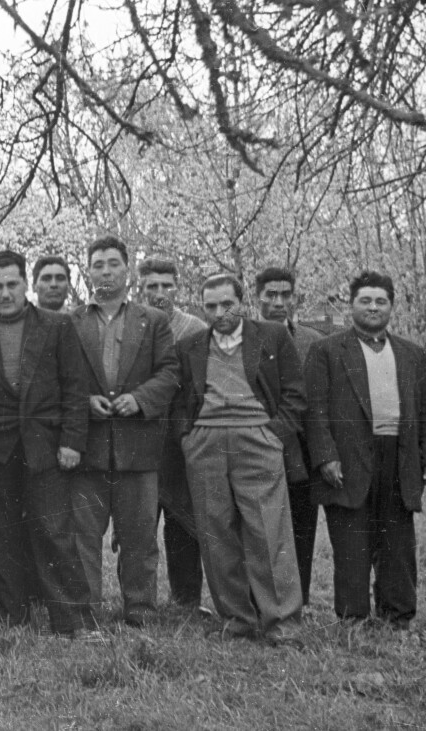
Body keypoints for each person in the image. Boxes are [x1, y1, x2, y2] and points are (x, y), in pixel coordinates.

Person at [0, 249, 89, 635]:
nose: (5, 293)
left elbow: (75, 388)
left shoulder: (56, 326)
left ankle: (70, 619)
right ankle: (10, 619)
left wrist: (72, 440)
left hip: (45, 447)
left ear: (26, 285)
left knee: (54, 532)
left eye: (12, 284)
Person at [174, 274, 305, 644]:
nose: (219, 313)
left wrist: (272, 434)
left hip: (257, 439)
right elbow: (179, 399)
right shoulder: (190, 346)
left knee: (268, 529)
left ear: (241, 301)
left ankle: (282, 622)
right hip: (205, 444)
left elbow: (295, 395)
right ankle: (237, 619)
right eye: (211, 307)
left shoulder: (272, 337)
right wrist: (189, 437)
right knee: (215, 531)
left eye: (226, 304)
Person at [304, 271, 426, 629]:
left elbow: (423, 411)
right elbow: (315, 409)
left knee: (398, 542)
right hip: (347, 457)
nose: (373, 307)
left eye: (381, 301)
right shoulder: (327, 350)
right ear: (351, 305)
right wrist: (326, 456)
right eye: (365, 300)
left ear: (391, 306)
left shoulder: (412, 354)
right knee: (352, 540)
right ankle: (353, 617)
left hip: (399, 457)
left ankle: (397, 616)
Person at [68, 237, 179, 628]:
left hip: (139, 447)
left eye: (113, 264)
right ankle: (85, 614)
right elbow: (58, 378)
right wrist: (83, 401)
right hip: (89, 448)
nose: (106, 271)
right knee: (83, 538)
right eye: (98, 264)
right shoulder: (72, 321)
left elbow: (170, 373)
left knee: (140, 539)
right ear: (88, 271)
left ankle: (141, 611)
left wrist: (140, 398)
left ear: (128, 269)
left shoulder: (153, 321)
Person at [137, 257, 209, 610]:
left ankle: (186, 600)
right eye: (152, 286)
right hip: (141, 436)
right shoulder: (133, 323)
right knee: (139, 524)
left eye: (167, 286)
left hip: (180, 439)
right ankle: (139, 601)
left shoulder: (194, 329)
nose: (160, 293)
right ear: (142, 288)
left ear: (177, 287)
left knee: (182, 520)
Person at [255, 266, 322, 608]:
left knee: (301, 527)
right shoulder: (243, 338)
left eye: (286, 295)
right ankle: (261, 602)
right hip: (255, 448)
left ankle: (300, 601)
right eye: (271, 295)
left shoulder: (311, 341)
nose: (279, 302)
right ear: (258, 298)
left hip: (301, 450)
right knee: (259, 530)